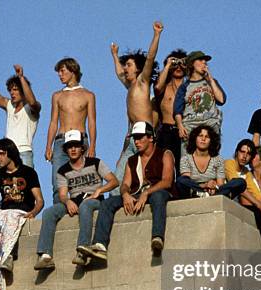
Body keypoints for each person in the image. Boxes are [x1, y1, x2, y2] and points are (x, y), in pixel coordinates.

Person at [81, 122, 174, 260]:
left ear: (150, 138)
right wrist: (125, 194)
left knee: (158, 196)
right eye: (135, 138)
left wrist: (146, 193)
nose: (136, 141)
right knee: (108, 203)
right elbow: (125, 183)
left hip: (158, 191)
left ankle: (157, 237)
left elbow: (167, 181)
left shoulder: (165, 154)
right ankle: (100, 245)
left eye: (140, 137)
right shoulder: (132, 160)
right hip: (136, 193)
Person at [34, 130, 118, 270]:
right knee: (49, 212)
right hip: (74, 200)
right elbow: (62, 194)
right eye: (69, 146)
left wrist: (99, 190)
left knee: (86, 205)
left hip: (94, 200)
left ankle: (82, 250)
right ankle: (45, 255)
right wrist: (67, 201)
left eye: (76, 146)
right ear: (66, 149)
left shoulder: (95, 163)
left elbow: (114, 181)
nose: (73, 149)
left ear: (82, 148)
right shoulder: (63, 170)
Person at [110, 21, 163, 190]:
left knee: (146, 177)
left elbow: (150, 58)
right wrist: (114, 55)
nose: (125, 68)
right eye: (125, 65)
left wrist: (156, 35)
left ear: (138, 69)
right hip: (133, 138)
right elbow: (119, 73)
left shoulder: (142, 83)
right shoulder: (130, 86)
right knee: (119, 178)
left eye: (129, 65)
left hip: (146, 136)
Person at [0, 138, 44, 272]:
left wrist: (33, 213)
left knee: (12, 215)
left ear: (10, 153)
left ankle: (8, 256)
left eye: (1, 154)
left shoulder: (28, 172)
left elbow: (40, 200)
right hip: (5, 213)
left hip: (23, 211)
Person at [45, 58, 97, 201]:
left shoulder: (88, 95)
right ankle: (59, 208)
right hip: (61, 140)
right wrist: (48, 145)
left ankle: (84, 206)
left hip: (81, 139)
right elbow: (53, 122)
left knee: (85, 178)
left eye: (62, 71)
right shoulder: (57, 96)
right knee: (58, 180)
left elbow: (92, 121)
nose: (60, 75)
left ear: (72, 70)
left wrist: (92, 145)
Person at [0, 59, 40, 167]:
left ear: (23, 91)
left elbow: (32, 102)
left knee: (25, 182)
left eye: (15, 89)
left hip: (23, 152)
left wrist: (21, 78)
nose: (12, 93)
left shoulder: (31, 108)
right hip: (6, 153)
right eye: (10, 90)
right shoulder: (9, 105)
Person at [173, 49, 226, 158]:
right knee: (187, 159)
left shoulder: (211, 82)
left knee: (212, 160)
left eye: (205, 61)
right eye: (201, 60)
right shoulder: (184, 86)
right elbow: (177, 109)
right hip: (191, 124)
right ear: (192, 63)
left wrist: (210, 79)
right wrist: (179, 125)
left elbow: (221, 100)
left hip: (210, 124)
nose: (204, 63)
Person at [175, 124, 245, 200]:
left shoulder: (218, 159)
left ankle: (215, 195)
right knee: (181, 180)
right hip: (194, 191)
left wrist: (214, 186)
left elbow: (220, 184)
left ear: (211, 141)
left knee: (240, 182)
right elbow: (186, 180)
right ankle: (200, 193)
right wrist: (204, 186)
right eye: (200, 136)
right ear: (195, 138)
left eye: (207, 137)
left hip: (214, 191)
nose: (203, 139)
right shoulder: (186, 159)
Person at [153, 49, 186, 171]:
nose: (178, 67)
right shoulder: (164, 88)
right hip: (167, 131)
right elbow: (157, 88)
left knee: (183, 168)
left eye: (181, 63)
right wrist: (167, 65)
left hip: (185, 131)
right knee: (165, 168)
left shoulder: (190, 88)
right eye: (175, 63)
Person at [224, 139, 261, 216]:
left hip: (235, 207)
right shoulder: (229, 163)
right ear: (237, 152)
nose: (245, 156)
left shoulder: (246, 172)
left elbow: (258, 195)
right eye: (242, 152)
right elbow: (238, 187)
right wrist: (258, 204)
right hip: (223, 202)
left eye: (248, 154)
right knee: (240, 182)